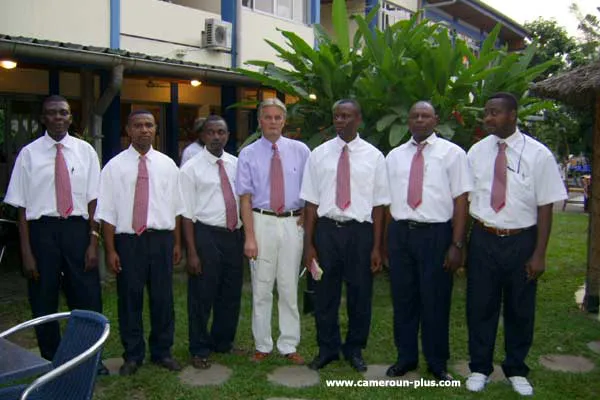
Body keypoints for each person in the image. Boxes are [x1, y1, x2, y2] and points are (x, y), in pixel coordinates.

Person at [466, 92, 567, 396]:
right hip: (483, 237)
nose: (488, 118)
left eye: (495, 112)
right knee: (480, 305)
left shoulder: (539, 154)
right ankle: (480, 367)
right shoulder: (476, 152)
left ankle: (516, 368)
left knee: (520, 307)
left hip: (521, 240)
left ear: (513, 115)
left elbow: (546, 206)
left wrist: (539, 253)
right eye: (486, 112)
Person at [3, 95, 108, 375]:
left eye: (63, 113)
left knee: (86, 296)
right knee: (43, 298)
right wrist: (26, 252)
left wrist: (92, 241)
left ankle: (89, 359)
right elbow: (22, 208)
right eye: (52, 113)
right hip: (42, 232)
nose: (58, 117)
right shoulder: (28, 154)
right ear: (43, 118)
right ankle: (51, 360)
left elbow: (94, 200)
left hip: (77, 229)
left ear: (71, 118)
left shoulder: (86, 151)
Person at [384, 101, 472, 381]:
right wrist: (387, 243)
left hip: (436, 235)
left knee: (435, 302)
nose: (419, 120)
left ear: (436, 120)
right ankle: (405, 358)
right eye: (414, 116)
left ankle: (437, 363)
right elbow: (387, 201)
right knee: (403, 300)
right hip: (401, 234)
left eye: (425, 116)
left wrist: (457, 244)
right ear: (408, 121)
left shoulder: (453, 154)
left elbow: (461, 201)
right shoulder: (394, 156)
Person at [301, 99, 390, 372]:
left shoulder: (374, 156)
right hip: (327, 231)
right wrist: (309, 246)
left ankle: (354, 349)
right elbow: (310, 204)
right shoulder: (319, 154)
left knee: (360, 294)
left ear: (359, 119)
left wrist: (377, 247)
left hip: (360, 233)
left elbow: (379, 207)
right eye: (337, 116)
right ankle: (327, 348)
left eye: (346, 116)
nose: (340, 121)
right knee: (325, 294)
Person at [96, 110, 184, 376]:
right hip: (128, 241)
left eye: (149, 125)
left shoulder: (168, 165)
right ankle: (133, 355)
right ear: (128, 130)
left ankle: (162, 351)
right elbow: (107, 212)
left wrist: (177, 244)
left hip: (161, 239)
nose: (144, 130)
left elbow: (177, 207)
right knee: (129, 299)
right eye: (138, 125)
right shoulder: (114, 167)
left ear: (156, 129)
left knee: (162, 298)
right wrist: (110, 250)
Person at [236, 98, 310, 365]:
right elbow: (244, 198)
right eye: (267, 117)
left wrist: (306, 218)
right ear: (260, 121)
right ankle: (262, 345)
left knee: (289, 286)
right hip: (262, 221)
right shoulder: (248, 153)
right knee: (262, 286)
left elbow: (310, 191)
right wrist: (250, 237)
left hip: (293, 222)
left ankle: (289, 344)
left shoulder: (301, 151)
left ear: (284, 120)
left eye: (278, 117)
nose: (273, 122)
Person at [179, 115, 244, 369]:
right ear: (203, 136)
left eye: (221, 132)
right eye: (211, 132)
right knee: (202, 294)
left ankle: (223, 342)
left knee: (230, 292)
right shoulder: (191, 168)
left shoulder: (237, 165)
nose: (216, 136)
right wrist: (191, 252)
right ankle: (199, 347)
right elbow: (185, 213)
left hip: (233, 235)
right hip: (205, 234)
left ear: (227, 135)